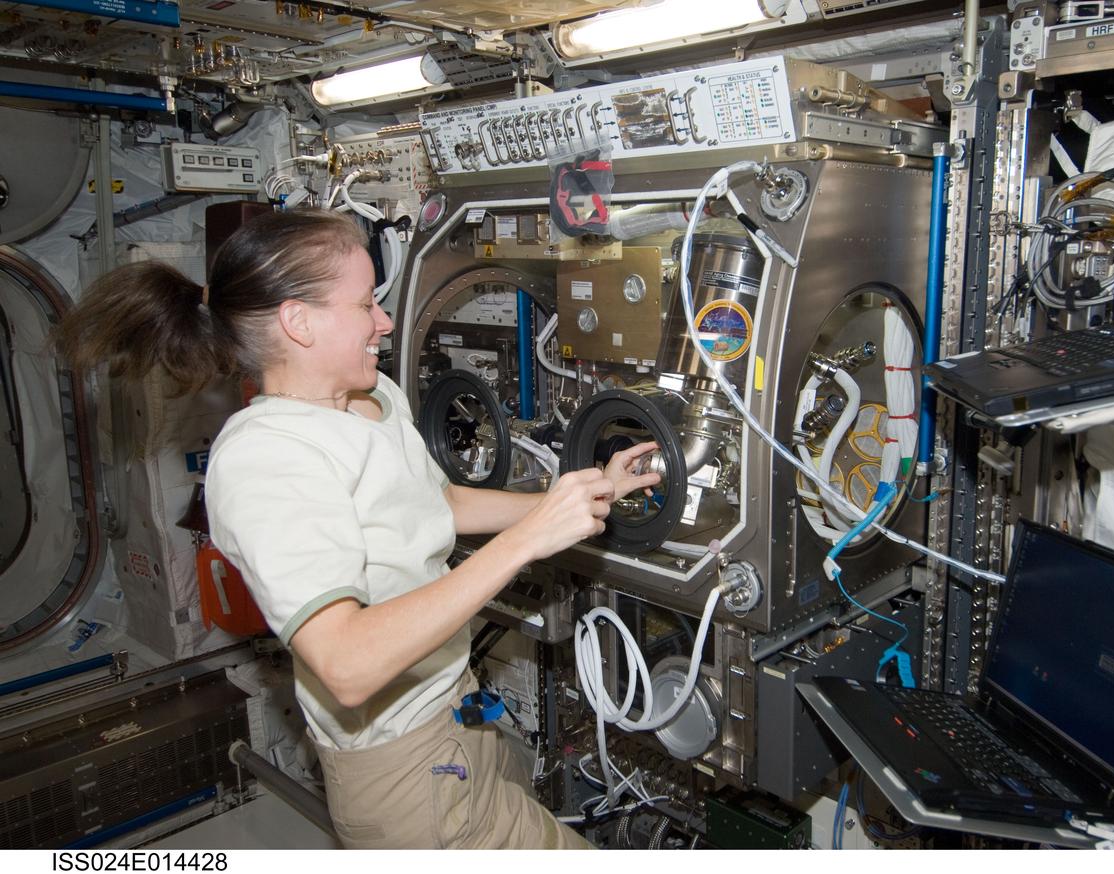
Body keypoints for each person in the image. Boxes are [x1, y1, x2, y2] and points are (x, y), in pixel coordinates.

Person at [55, 208, 661, 849]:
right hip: (404, 764)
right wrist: (527, 542)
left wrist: (580, 492)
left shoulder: (374, 398)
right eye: (365, 303)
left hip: (456, 704)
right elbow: (344, 662)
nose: (386, 321)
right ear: (299, 321)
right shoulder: (267, 459)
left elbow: (438, 504)